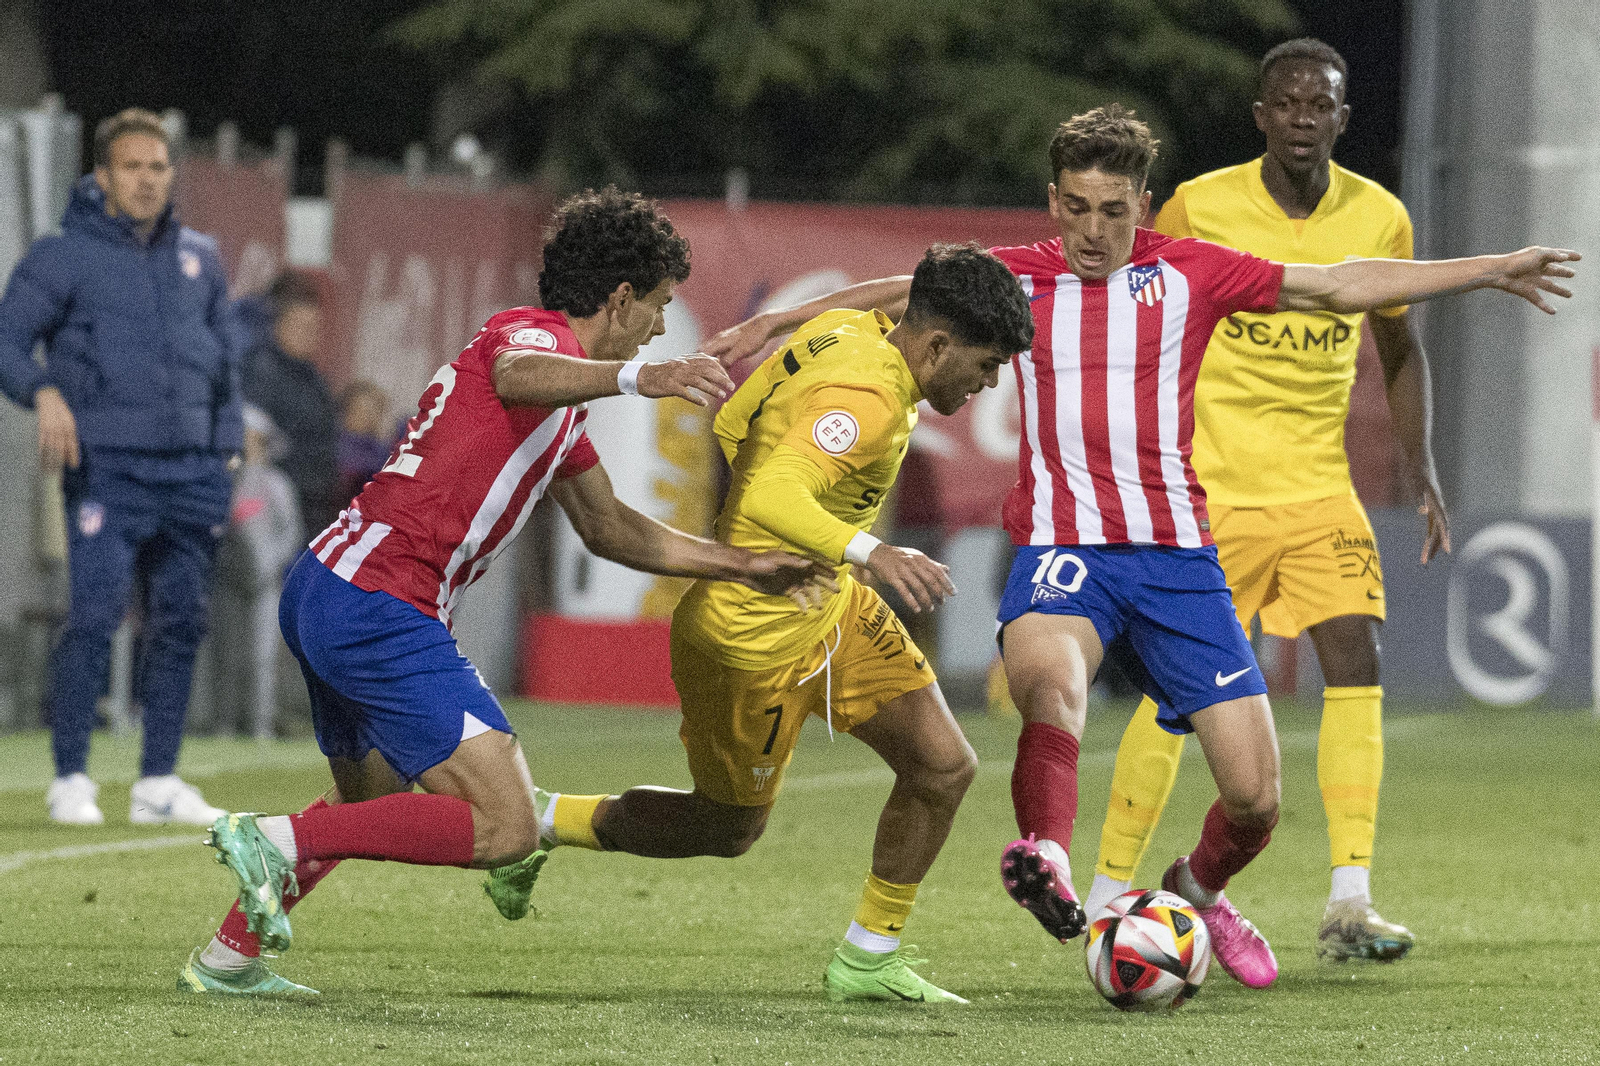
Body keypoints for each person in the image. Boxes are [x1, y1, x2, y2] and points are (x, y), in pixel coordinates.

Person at [702, 105, 1578, 990]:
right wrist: (765, 329)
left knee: (1255, 799)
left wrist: (1493, 269)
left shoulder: (1192, 273)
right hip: (1063, 546)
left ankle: (1196, 888)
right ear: (1052, 202)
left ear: (1143, 206)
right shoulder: (1017, 281)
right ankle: (1044, 853)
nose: (1092, 230)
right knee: (1052, 688)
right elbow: (890, 291)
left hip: (1178, 558)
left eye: (1112, 210)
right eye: (1076, 207)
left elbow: (1342, 284)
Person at [179, 187, 822, 997]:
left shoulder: (562, 407)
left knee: (370, 805)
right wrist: (642, 376)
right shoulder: (529, 338)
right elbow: (520, 373)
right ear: (620, 300)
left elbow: (609, 528)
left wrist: (740, 565)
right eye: (657, 305)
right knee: (506, 826)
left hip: (334, 589)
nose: (661, 323)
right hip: (380, 600)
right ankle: (268, 836)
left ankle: (226, 959)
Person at [483, 244, 1035, 1005]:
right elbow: (778, 494)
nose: (990, 382)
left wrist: (771, 322)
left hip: (826, 604)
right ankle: (545, 821)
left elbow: (899, 292)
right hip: (749, 641)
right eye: (986, 364)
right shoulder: (864, 401)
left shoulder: (867, 331)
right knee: (727, 830)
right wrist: (873, 551)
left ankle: (868, 957)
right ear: (937, 345)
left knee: (943, 767)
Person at [1085, 38, 1442, 963]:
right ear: (1261, 116)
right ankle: (1110, 889)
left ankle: (1351, 900)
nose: (1302, 119)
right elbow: (1131, 307)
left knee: (1356, 660)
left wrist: (1421, 468)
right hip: (1214, 493)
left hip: (1321, 489)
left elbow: (1399, 348)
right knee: (1176, 697)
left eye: (1320, 105)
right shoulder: (1204, 205)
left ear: (1342, 118)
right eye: (1285, 104)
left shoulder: (1383, 216)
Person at [0, 107, 244, 827]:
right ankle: (70, 775)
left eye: (159, 167)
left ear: (174, 175)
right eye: (132, 166)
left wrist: (225, 447)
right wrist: (42, 391)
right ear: (102, 175)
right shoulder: (61, 256)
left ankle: (157, 782)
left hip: (193, 470)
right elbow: (8, 344)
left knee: (181, 620)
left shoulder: (201, 257)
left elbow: (226, 362)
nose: (147, 179)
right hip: (108, 466)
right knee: (96, 615)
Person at [209, 405, 303, 739]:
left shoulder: (277, 484)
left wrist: (269, 565)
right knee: (227, 654)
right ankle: (224, 723)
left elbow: (290, 532)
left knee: (261, 657)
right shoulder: (226, 478)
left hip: (265, 582)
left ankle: (260, 725)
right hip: (228, 579)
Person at [242, 271, 341, 536]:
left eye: (315, 328)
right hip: (279, 512)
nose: (310, 336)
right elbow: (252, 441)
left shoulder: (312, 377)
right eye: (301, 327)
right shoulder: (263, 371)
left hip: (315, 508)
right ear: (278, 324)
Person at [334, 378, 395, 504]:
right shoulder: (339, 444)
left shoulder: (380, 448)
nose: (371, 417)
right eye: (364, 411)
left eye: (377, 410)